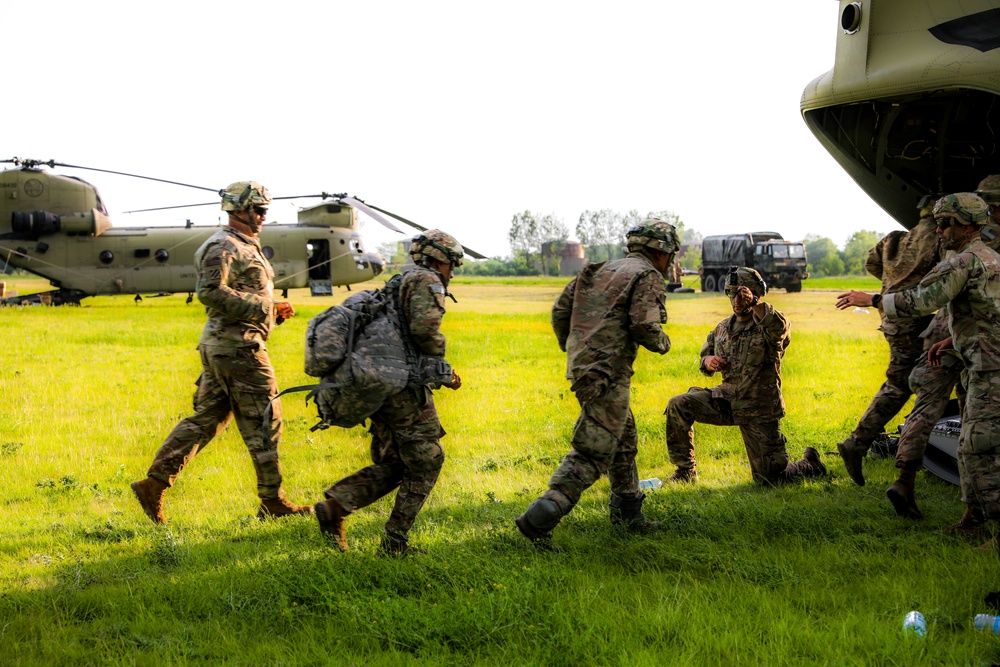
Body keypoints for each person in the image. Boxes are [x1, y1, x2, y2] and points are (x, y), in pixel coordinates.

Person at [131, 181, 311, 523]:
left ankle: (153, 485)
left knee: (207, 420)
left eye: (264, 211)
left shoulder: (245, 245)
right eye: (256, 210)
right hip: (238, 348)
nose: (261, 216)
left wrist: (271, 312)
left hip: (230, 344)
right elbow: (210, 292)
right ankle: (272, 501)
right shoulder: (223, 245)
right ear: (237, 209)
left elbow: (239, 295)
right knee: (265, 419)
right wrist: (266, 308)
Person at [836, 193, 1000, 546]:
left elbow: (922, 301)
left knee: (977, 447)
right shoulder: (989, 258)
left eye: (946, 224)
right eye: (938, 222)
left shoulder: (963, 261)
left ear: (966, 225)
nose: (940, 230)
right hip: (977, 360)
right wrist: (955, 342)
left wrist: (876, 300)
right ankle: (973, 520)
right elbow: (989, 315)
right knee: (970, 443)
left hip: (989, 369)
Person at [515, 219, 678, 546]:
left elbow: (560, 312)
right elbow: (643, 325)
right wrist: (663, 342)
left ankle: (628, 514)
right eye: (671, 254)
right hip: (609, 371)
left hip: (585, 367)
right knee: (594, 448)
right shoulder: (647, 275)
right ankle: (542, 515)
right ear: (661, 252)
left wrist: (574, 348)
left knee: (623, 437)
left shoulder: (597, 269)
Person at [313, 230, 464, 556]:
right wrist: (443, 368)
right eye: (453, 264)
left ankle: (336, 507)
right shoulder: (426, 280)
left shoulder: (402, 278)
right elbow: (424, 332)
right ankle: (394, 544)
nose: (453, 272)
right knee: (427, 461)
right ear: (440, 260)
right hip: (402, 387)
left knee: (398, 461)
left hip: (380, 381)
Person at [665, 267, 826, 485]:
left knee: (770, 480)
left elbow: (781, 329)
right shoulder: (723, 327)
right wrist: (708, 362)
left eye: (742, 294)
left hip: (759, 407)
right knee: (678, 404)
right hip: (726, 400)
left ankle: (810, 464)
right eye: (732, 294)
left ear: (755, 294)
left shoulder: (768, 324)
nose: (737, 300)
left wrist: (756, 304)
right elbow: (705, 354)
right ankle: (685, 473)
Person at [836, 203, 942, 486]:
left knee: (902, 384)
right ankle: (859, 443)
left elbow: (872, 263)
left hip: (892, 316)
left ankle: (858, 444)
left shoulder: (895, 238)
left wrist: (893, 282)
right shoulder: (942, 238)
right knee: (918, 385)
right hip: (915, 317)